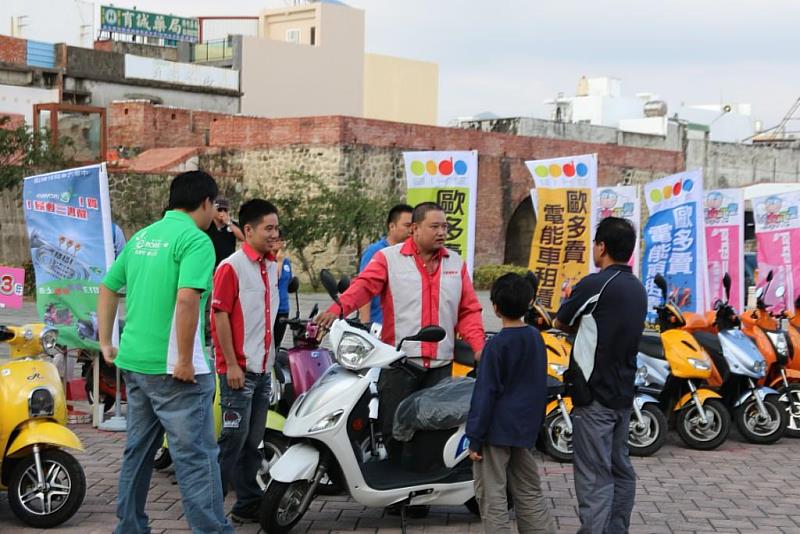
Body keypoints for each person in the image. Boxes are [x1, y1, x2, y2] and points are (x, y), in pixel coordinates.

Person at [97, 170, 233, 534]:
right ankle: (212, 530)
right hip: (176, 371)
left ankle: (129, 527)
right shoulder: (195, 240)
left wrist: (106, 342)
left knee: (138, 453)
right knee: (196, 458)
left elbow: (108, 287)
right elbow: (187, 299)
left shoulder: (143, 236)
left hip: (136, 364)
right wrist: (185, 360)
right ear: (206, 203)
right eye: (213, 206)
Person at [316, 202, 485, 442]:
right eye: (434, 226)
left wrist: (479, 347)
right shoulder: (388, 259)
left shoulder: (455, 263)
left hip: (441, 366)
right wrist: (338, 308)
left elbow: (468, 310)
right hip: (400, 364)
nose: (441, 232)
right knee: (394, 430)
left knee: (436, 434)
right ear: (414, 228)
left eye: (445, 227)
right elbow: (363, 287)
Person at [553, 217, 648, 534]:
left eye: (595, 243)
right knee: (620, 469)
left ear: (602, 246)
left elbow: (562, 321)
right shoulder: (637, 288)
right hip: (623, 394)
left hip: (593, 396)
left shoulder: (596, 284)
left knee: (594, 476)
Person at [466, 273, 555, 534]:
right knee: (529, 490)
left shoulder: (495, 347)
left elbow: (485, 395)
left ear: (495, 307)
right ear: (529, 304)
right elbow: (539, 385)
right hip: (523, 429)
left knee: (491, 493)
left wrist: (475, 437)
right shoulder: (536, 339)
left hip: (495, 432)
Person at [211, 199, 280, 523]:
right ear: (248, 230)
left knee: (253, 441)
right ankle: (209, 506)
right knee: (231, 441)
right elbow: (220, 316)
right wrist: (232, 364)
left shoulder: (272, 266)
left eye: (276, 228)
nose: (274, 234)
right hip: (239, 373)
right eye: (268, 228)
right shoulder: (231, 266)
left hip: (263, 371)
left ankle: (247, 503)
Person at [357, 203, 413, 325]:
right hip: (379, 326)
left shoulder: (413, 253)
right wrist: (365, 325)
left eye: (414, 226)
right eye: (407, 225)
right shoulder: (375, 252)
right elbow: (364, 289)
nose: (411, 230)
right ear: (392, 226)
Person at [206, 197, 245, 268]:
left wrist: (229, 223)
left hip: (228, 264)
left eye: (225, 210)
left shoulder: (232, 225)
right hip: (211, 265)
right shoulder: (208, 224)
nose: (222, 213)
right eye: (219, 210)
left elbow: (243, 237)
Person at [273, 229, 293, 348]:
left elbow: (289, 279)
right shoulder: (269, 261)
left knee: (278, 342)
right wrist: (279, 262)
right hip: (272, 306)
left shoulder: (286, 261)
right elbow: (274, 279)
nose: (279, 243)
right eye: (277, 240)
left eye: (281, 240)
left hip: (283, 307)